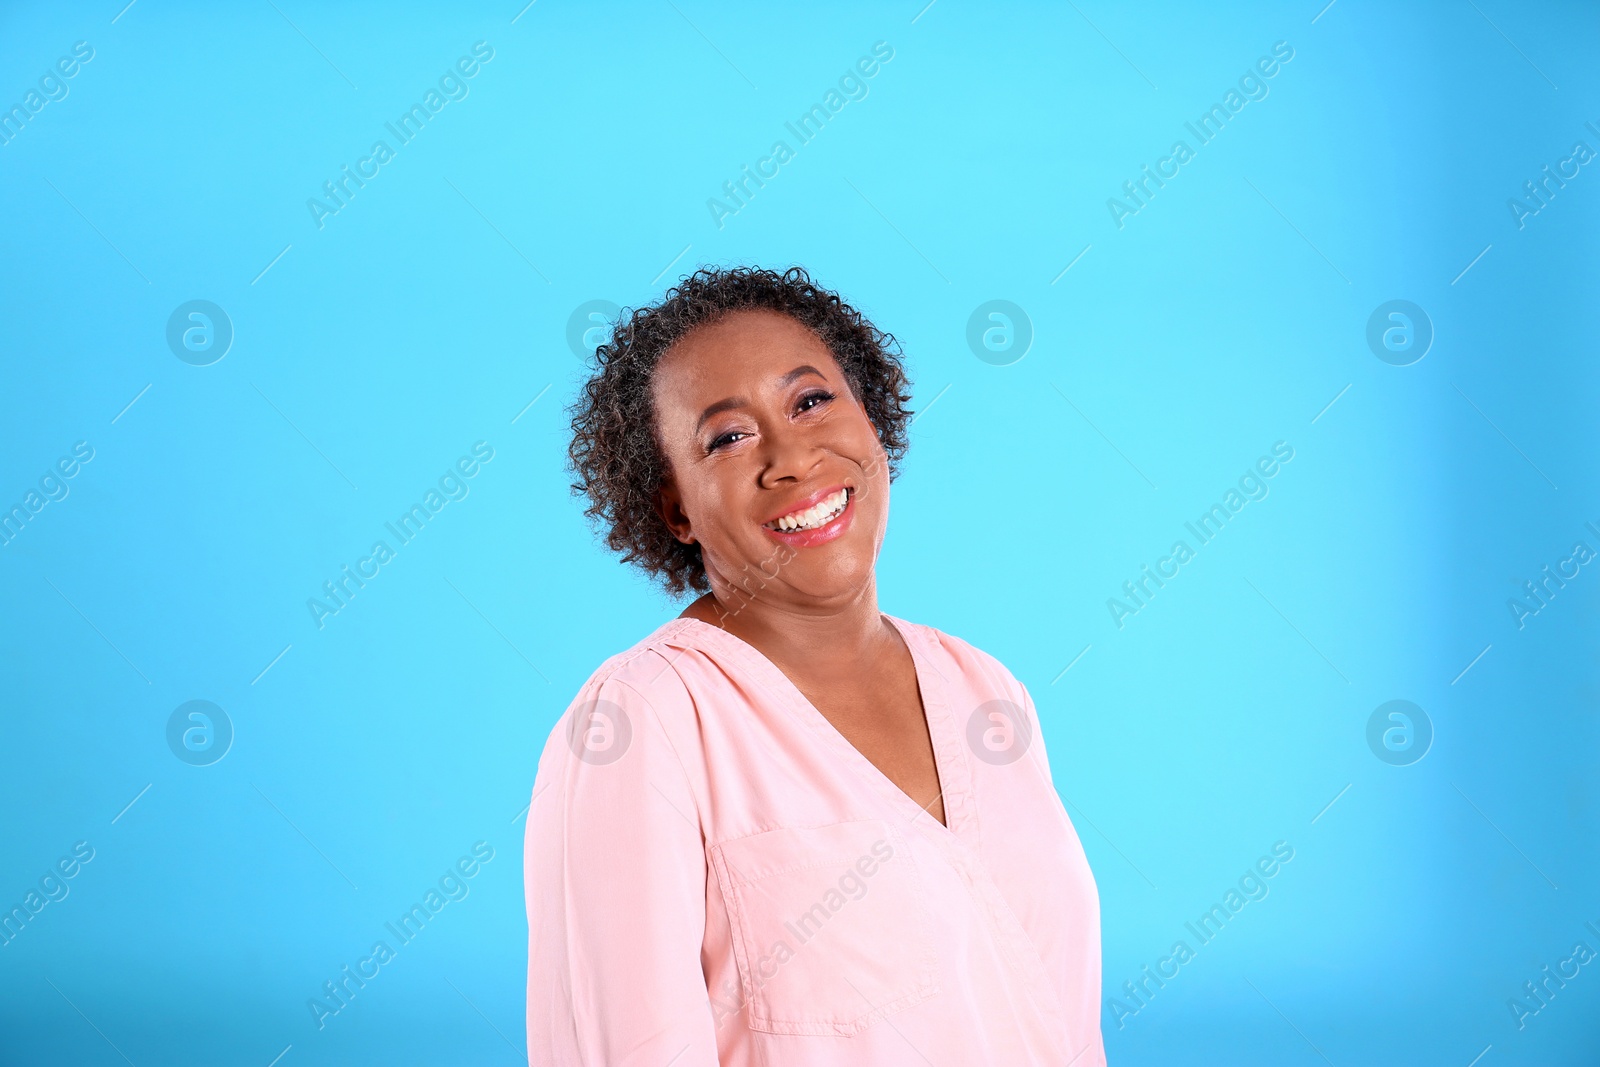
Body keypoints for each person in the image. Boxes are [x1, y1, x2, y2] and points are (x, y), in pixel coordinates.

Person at [524, 266, 1104, 1065]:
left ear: (871, 416)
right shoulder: (641, 724)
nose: (791, 457)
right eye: (728, 437)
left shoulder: (983, 690)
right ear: (677, 509)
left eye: (810, 401)